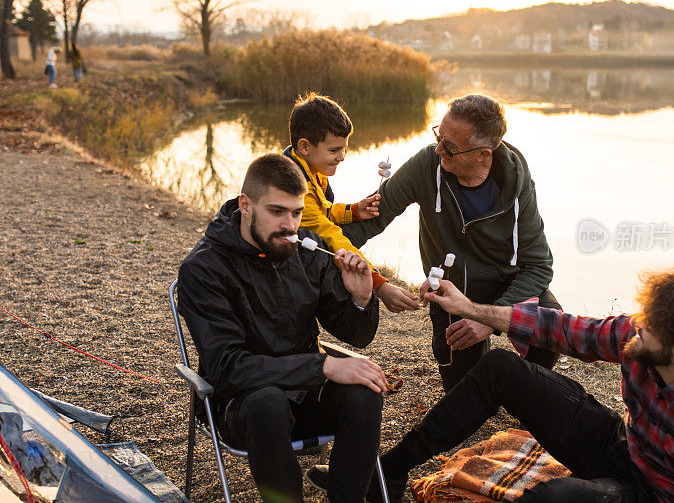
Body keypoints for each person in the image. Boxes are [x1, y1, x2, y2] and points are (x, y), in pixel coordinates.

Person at [351, 269, 674, 502]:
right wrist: (472, 307)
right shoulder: (638, 338)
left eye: (649, 326)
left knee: (551, 500)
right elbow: (562, 329)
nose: (634, 328)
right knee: (503, 369)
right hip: (621, 448)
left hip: (655, 497)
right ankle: (388, 469)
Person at [178, 153, 388, 502]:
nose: (290, 225)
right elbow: (227, 368)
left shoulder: (307, 251)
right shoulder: (204, 269)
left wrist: (361, 299)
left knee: (366, 388)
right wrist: (322, 365)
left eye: (297, 212)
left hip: (305, 392)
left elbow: (357, 336)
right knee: (267, 403)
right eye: (277, 212)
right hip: (242, 405)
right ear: (246, 205)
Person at [343, 94, 560, 391]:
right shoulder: (425, 165)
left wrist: (491, 319)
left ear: (483, 154)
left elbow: (538, 265)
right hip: (450, 290)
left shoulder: (516, 182)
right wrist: (312, 238)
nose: (438, 149)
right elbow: (369, 222)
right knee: (463, 390)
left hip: (505, 285)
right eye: (439, 136)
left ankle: (521, 383)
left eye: (451, 147)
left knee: (549, 324)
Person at [282, 93, 419, 315]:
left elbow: (321, 210)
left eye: (344, 148)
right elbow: (329, 235)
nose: (342, 157)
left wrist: (353, 211)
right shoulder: (295, 190)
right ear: (305, 146)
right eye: (334, 150)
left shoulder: (309, 166)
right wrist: (379, 284)